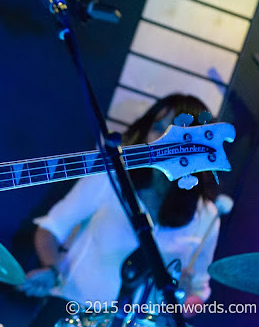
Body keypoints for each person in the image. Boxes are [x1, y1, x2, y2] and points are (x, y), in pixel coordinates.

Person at [19, 94, 222, 325]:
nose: (162, 140)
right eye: (157, 128)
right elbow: (51, 228)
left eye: (176, 133)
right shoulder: (113, 176)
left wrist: (184, 297)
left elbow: (198, 293)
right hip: (74, 312)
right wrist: (51, 269)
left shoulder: (207, 216)